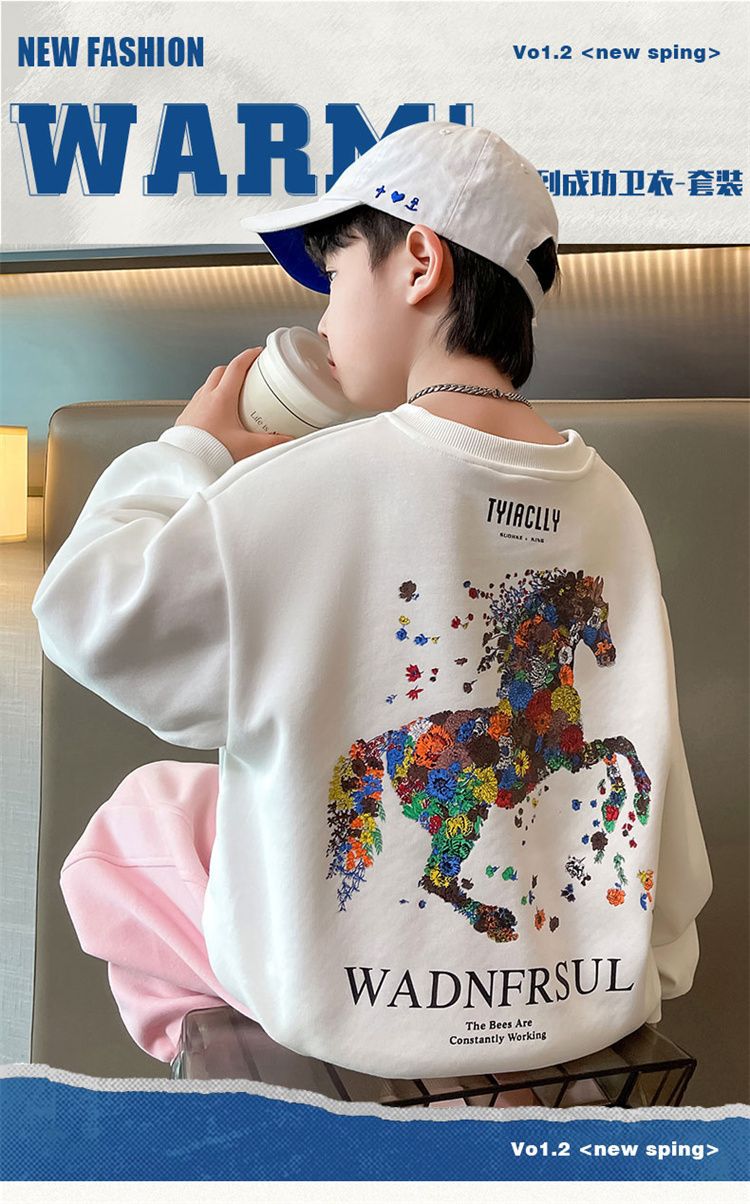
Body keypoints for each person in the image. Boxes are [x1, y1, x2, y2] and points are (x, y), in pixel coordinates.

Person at [32, 121, 713, 1084]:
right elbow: (655, 764)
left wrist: (190, 453)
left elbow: (85, 615)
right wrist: (654, 961)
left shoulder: (306, 482)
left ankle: (227, 1085)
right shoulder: (613, 505)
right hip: (584, 1016)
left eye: (336, 275)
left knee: (140, 820)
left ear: (420, 262)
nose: (321, 319)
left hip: (345, 1023)